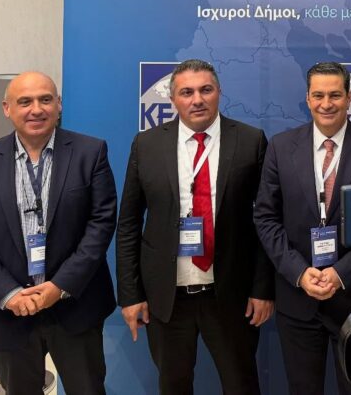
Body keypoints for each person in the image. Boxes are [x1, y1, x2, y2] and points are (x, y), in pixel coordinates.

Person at [0, 71, 116, 394]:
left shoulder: (90, 152)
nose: (36, 109)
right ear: (7, 108)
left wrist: (60, 286)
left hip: (75, 307)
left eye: (45, 99)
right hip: (10, 313)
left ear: (59, 105)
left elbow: (101, 224)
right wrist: (8, 293)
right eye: (24, 101)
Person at [116, 59, 273, 394]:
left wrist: (262, 289)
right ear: (173, 98)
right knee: (173, 386)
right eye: (186, 92)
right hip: (166, 299)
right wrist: (130, 295)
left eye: (206, 90)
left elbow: (266, 221)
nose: (197, 99)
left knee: (242, 385)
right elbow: (128, 223)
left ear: (219, 93)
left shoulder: (250, 141)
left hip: (230, 295)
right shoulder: (146, 145)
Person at [254, 61, 351, 395]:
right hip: (297, 300)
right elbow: (266, 218)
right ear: (307, 98)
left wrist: (341, 273)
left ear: (349, 97)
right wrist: (300, 273)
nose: (326, 104)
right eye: (318, 95)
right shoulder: (281, 147)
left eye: (334, 95)